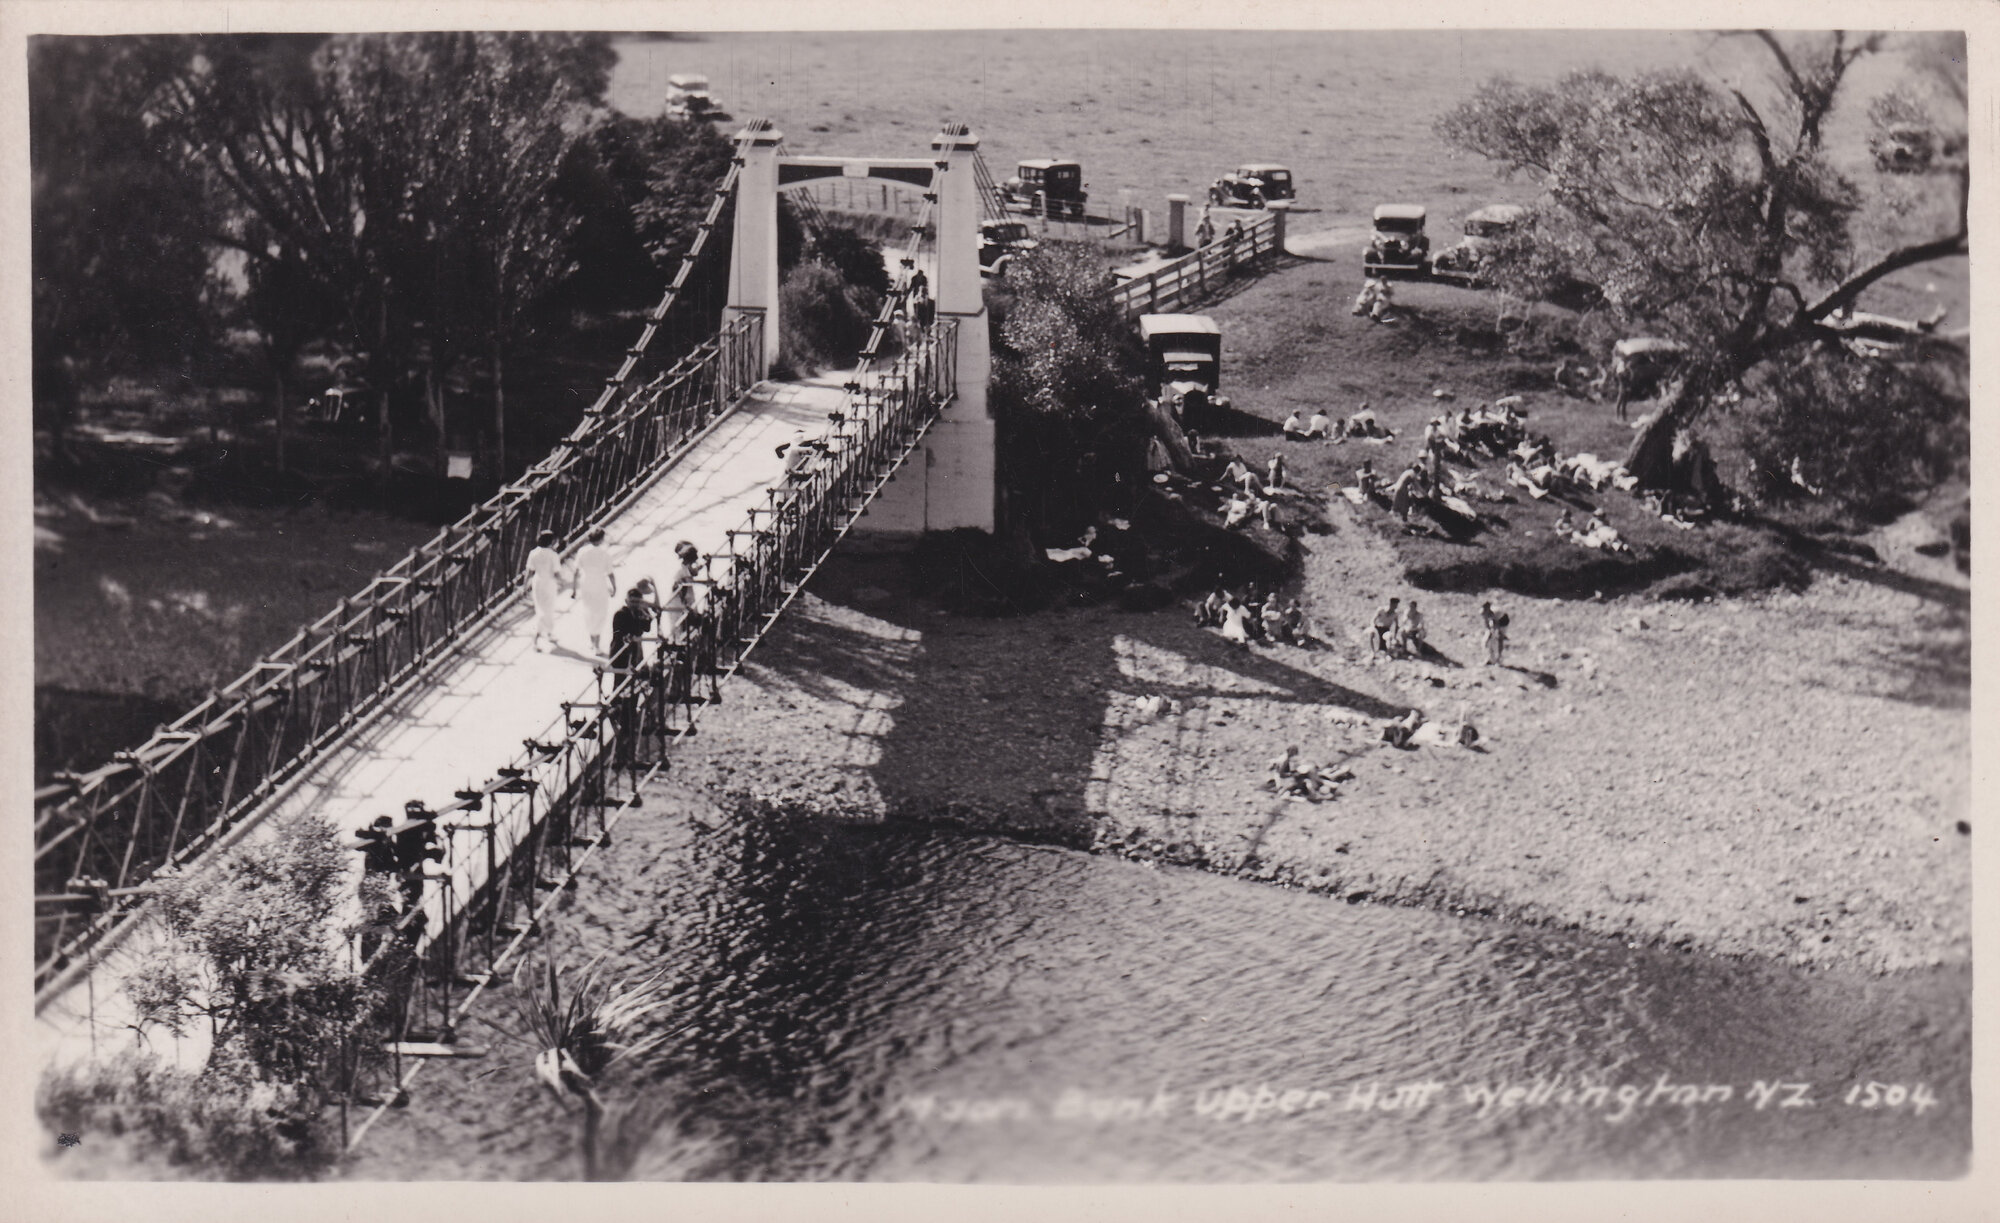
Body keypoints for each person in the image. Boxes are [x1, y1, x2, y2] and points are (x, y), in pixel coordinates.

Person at [573, 528, 616, 654]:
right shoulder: (605, 553)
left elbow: (576, 571)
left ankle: (592, 641)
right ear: (601, 539)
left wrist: (574, 589)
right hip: (599, 584)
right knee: (600, 613)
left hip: (586, 583)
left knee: (589, 612)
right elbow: (610, 573)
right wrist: (614, 587)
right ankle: (596, 644)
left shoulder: (582, 551)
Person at [525, 529, 565, 651]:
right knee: (548, 610)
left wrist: (525, 586)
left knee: (541, 608)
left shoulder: (533, 553)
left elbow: (529, 571)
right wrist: (562, 582)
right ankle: (536, 639)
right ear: (551, 542)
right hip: (549, 583)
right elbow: (556, 572)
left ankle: (548, 633)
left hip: (537, 582)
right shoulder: (553, 555)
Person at [609, 586, 655, 673]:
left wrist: (646, 611)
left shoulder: (639, 613)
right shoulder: (620, 614)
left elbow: (647, 628)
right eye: (632, 602)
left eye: (637, 602)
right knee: (620, 679)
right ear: (626, 601)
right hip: (620, 652)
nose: (634, 605)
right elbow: (623, 633)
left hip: (633, 652)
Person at [1481, 601, 1509, 666]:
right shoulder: (1483, 612)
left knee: (1499, 639)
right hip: (1494, 622)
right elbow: (1487, 624)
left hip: (1503, 622)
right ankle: (1489, 659)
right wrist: (1489, 632)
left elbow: (1496, 626)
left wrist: (1494, 633)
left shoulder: (1496, 613)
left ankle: (1499, 659)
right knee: (1486, 641)